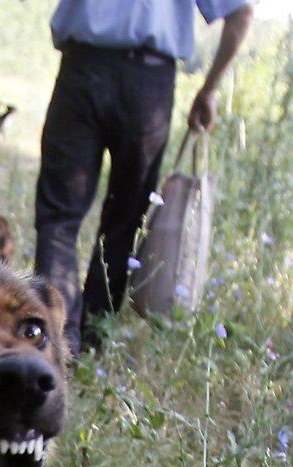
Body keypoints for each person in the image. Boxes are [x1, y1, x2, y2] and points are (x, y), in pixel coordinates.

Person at [35, 0, 255, 353]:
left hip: (83, 71)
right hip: (147, 84)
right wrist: (210, 89)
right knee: (125, 221)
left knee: (58, 219)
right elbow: (241, 11)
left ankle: (55, 343)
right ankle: (90, 342)